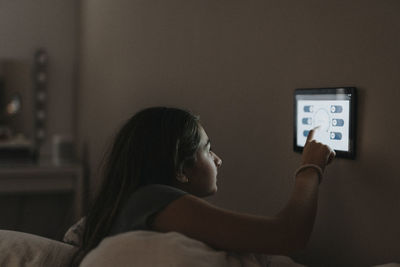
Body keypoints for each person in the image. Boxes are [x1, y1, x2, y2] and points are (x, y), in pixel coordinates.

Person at [72, 106, 335, 265]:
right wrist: (311, 168)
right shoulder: (151, 199)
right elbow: (287, 235)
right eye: (208, 150)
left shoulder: (126, 202)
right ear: (182, 169)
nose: (218, 160)